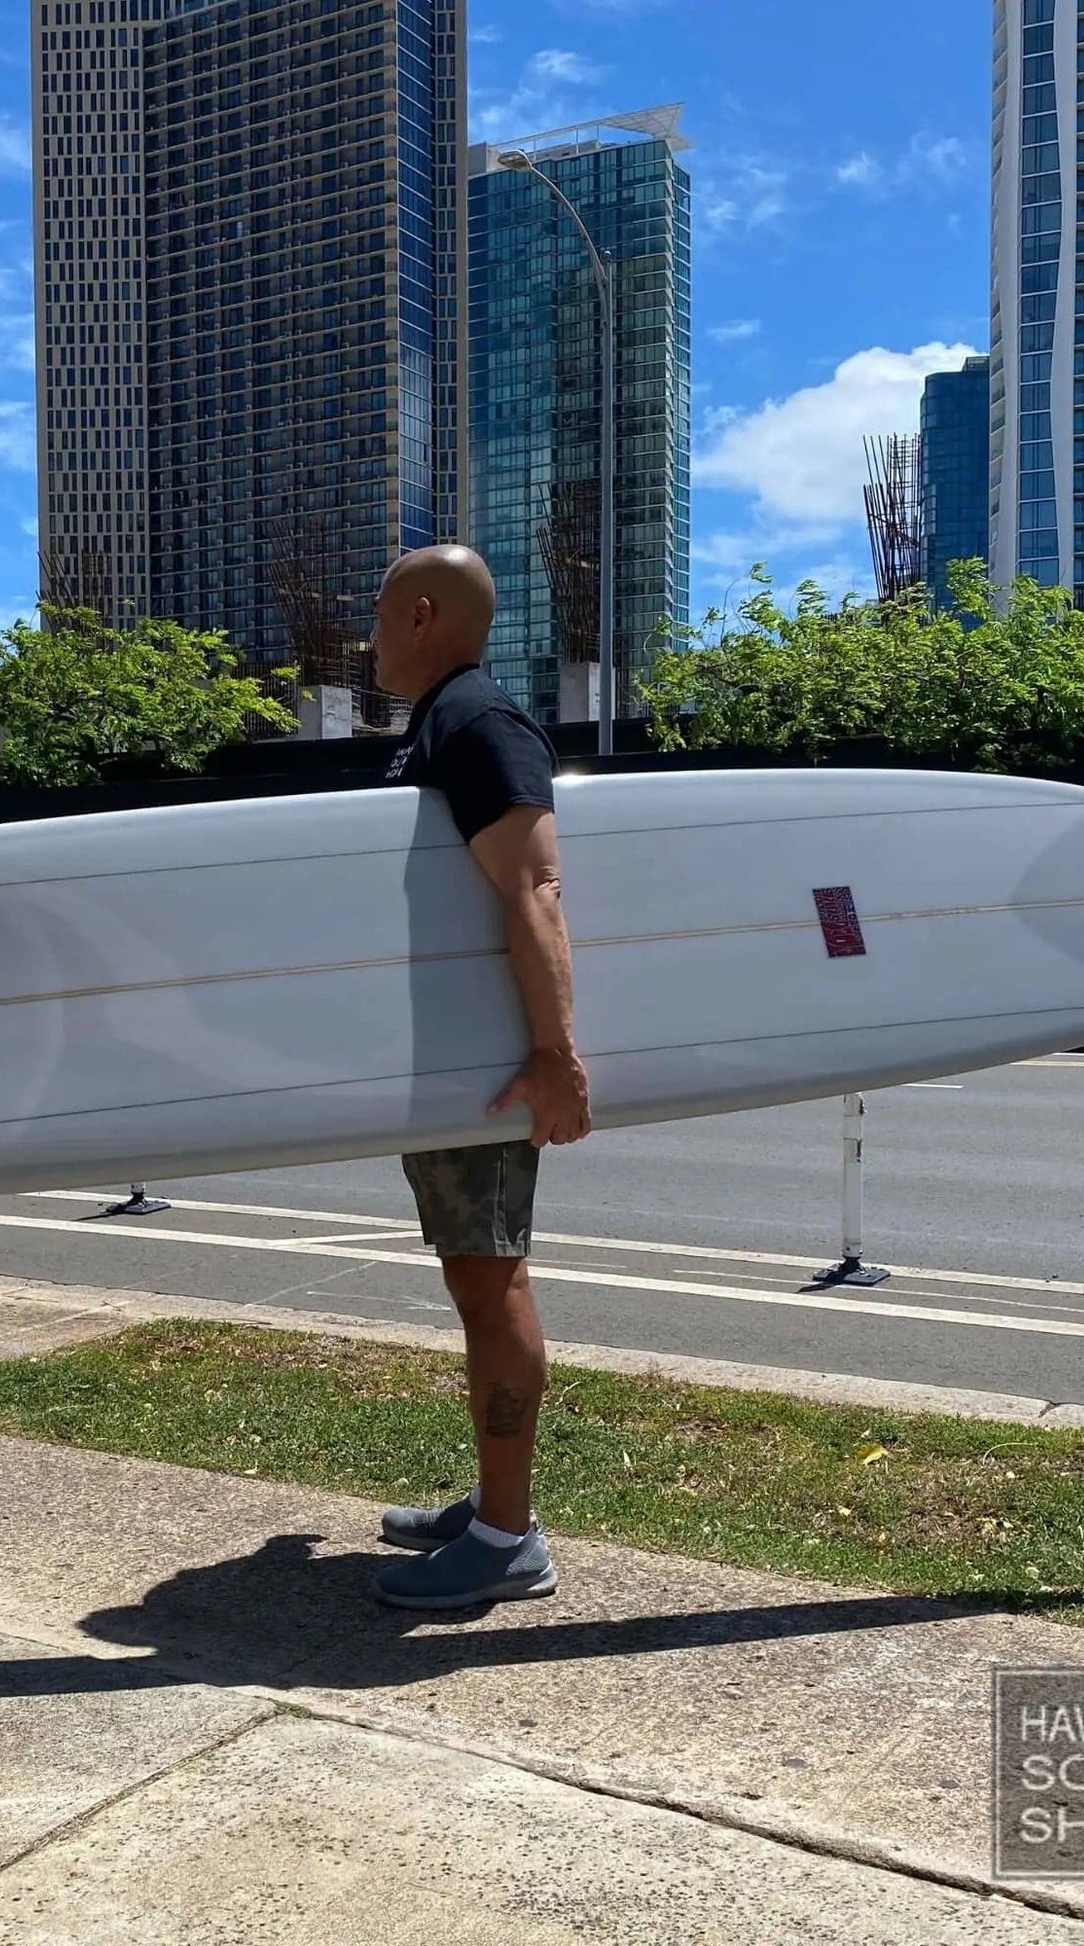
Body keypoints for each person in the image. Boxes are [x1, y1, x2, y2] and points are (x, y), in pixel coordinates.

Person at [367, 544, 592, 1611]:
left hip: (488, 1070)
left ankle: (507, 1535)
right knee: (472, 1278)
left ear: (420, 614)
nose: (367, 641)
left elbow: (536, 885)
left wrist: (553, 1056)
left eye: (376, 618)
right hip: (448, 1060)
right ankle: (491, 1505)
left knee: (488, 1277)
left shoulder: (478, 723)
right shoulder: (436, 726)